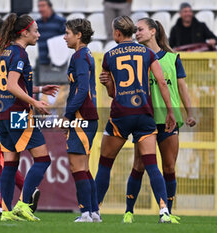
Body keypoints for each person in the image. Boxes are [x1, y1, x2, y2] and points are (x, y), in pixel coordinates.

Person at [94, 15, 176, 223]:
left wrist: (107, 84)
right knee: (152, 165)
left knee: (105, 164)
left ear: (117, 33)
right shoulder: (147, 53)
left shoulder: (109, 55)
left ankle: (94, 211)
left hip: (121, 115)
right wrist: (170, 112)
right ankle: (164, 210)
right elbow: (161, 83)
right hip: (144, 115)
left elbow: (113, 93)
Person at [122, 18, 196, 224]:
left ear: (153, 31)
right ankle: (128, 212)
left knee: (169, 167)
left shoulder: (172, 58)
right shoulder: (137, 59)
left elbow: (182, 88)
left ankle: (167, 213)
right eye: (135, 30)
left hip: (170, 121)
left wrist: (190, 113)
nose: (136, 33)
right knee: (138, 166)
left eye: (140, 30)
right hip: (145, 120)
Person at [0, 13, 59, 221]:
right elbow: (12, 86)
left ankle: (5, 211)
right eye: (35, 31)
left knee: (11, 163)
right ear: (24, 33)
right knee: (43, 159)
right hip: (18, 115)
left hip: (4, 113)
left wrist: (38, 89)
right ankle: (23, 204)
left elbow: (9, 85)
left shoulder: (6, 52)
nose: (38, 35)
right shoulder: (20, 54)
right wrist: (35, 102)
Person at [0, 17, 28, 217]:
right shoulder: (12, 50)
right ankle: (21, 196)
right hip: (11, 111)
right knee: (8, 159)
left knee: (0, 161)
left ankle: (4, 204)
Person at [63, 18, 100, 223]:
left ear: (79, 35)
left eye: (68, 33)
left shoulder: (79, 56)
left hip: (81, 117)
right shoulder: (85, 55)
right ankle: (94, 212)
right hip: (88, 116)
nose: (64, 36)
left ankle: (85, 213)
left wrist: (68, 115)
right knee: (83, 167)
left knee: (77, 166)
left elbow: (82, 89)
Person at [36, 0, 67, 84]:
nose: (40, 9)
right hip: (42, 61)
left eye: (43, 6)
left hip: (57, 64)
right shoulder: (36, 23)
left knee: (59, 89)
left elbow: (66, 40)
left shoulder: (61, 21)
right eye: (39, 6)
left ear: (49, 7)